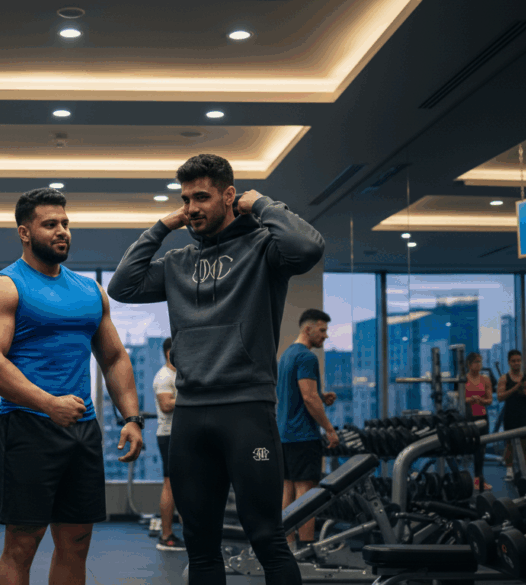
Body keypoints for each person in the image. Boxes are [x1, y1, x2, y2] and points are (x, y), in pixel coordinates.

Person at [108, 153, 324, 585]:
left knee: (267, 538)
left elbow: (307, 247)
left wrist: (261, 204)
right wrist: (163, 226)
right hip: (190, 418)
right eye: (185, 199)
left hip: (247, 413)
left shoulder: (263, 249)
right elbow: (123, 285)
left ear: (229, 196)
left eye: (202, 197)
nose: (191, 208)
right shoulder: (178, 262)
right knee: (200, 547)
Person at [0, 188, 143, 585]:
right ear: (24, 233)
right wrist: (48, 403)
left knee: (77, 540)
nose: (62, 231)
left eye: (65, 223)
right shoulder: (2, 288)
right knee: (22, 543)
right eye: (50, 224)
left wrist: (131, 417)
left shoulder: (90, 290)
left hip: (82, 427)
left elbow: (114, 357)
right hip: (28, 425)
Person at [277, 309, 339, 549]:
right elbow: (308, 398)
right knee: (307, 492)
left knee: (287, 490)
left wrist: (320, 396)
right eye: (322, 330)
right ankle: (306, 548)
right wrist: (329, 429)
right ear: (308, 329)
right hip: (303, 435)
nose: (325, 336)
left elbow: (298, 394)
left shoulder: (286, 355)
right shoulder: (306, 357)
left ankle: (288, 546)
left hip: (284, 434)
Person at [153, 337, 185, 552]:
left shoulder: (177, 375)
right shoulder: (164, 376)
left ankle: (188, 533)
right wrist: (191, 397)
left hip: (180, 435)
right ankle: (166, 536)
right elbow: (165, 405)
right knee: (171, 484)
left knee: (183, 485)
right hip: (169, 435)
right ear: (169, 352)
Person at [497, 349, 526, 480]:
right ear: (509, 362)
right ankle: (509, 470)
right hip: (510, 414)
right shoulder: (504, 378)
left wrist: (524, 391)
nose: (516, 363)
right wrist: (515, 388)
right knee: (509, 444)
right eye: (513, 361)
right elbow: (500, 397)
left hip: (525, 414)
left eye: (518, 361)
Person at [463, 352, 493, 491]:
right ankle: (464, 481)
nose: (479, 365)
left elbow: (489, 400)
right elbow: (459, 399)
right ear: (469, 364)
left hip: (482, 417)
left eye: (480, 362)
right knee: (468, 449)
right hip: (468, 418)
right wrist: (470, 399)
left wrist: (481, 400)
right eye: (476, 362)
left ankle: (478, 481)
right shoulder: (463, 379)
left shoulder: (485, 379)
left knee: (480, 451)